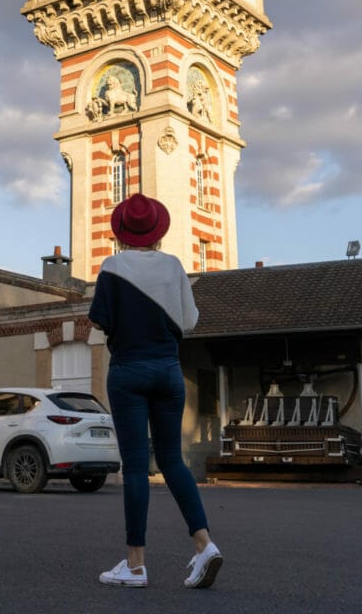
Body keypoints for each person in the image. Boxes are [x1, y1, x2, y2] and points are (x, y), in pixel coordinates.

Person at [88, 193, 223, 589]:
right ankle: (204, 545)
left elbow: (99, 322)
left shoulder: (112, 266)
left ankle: (135, 565)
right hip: (167, 370)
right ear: (158, 232)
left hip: (128, 369)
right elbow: (191, 321)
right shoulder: (174, 266)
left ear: (123, 232)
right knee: (172, 461)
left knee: (134, 467)